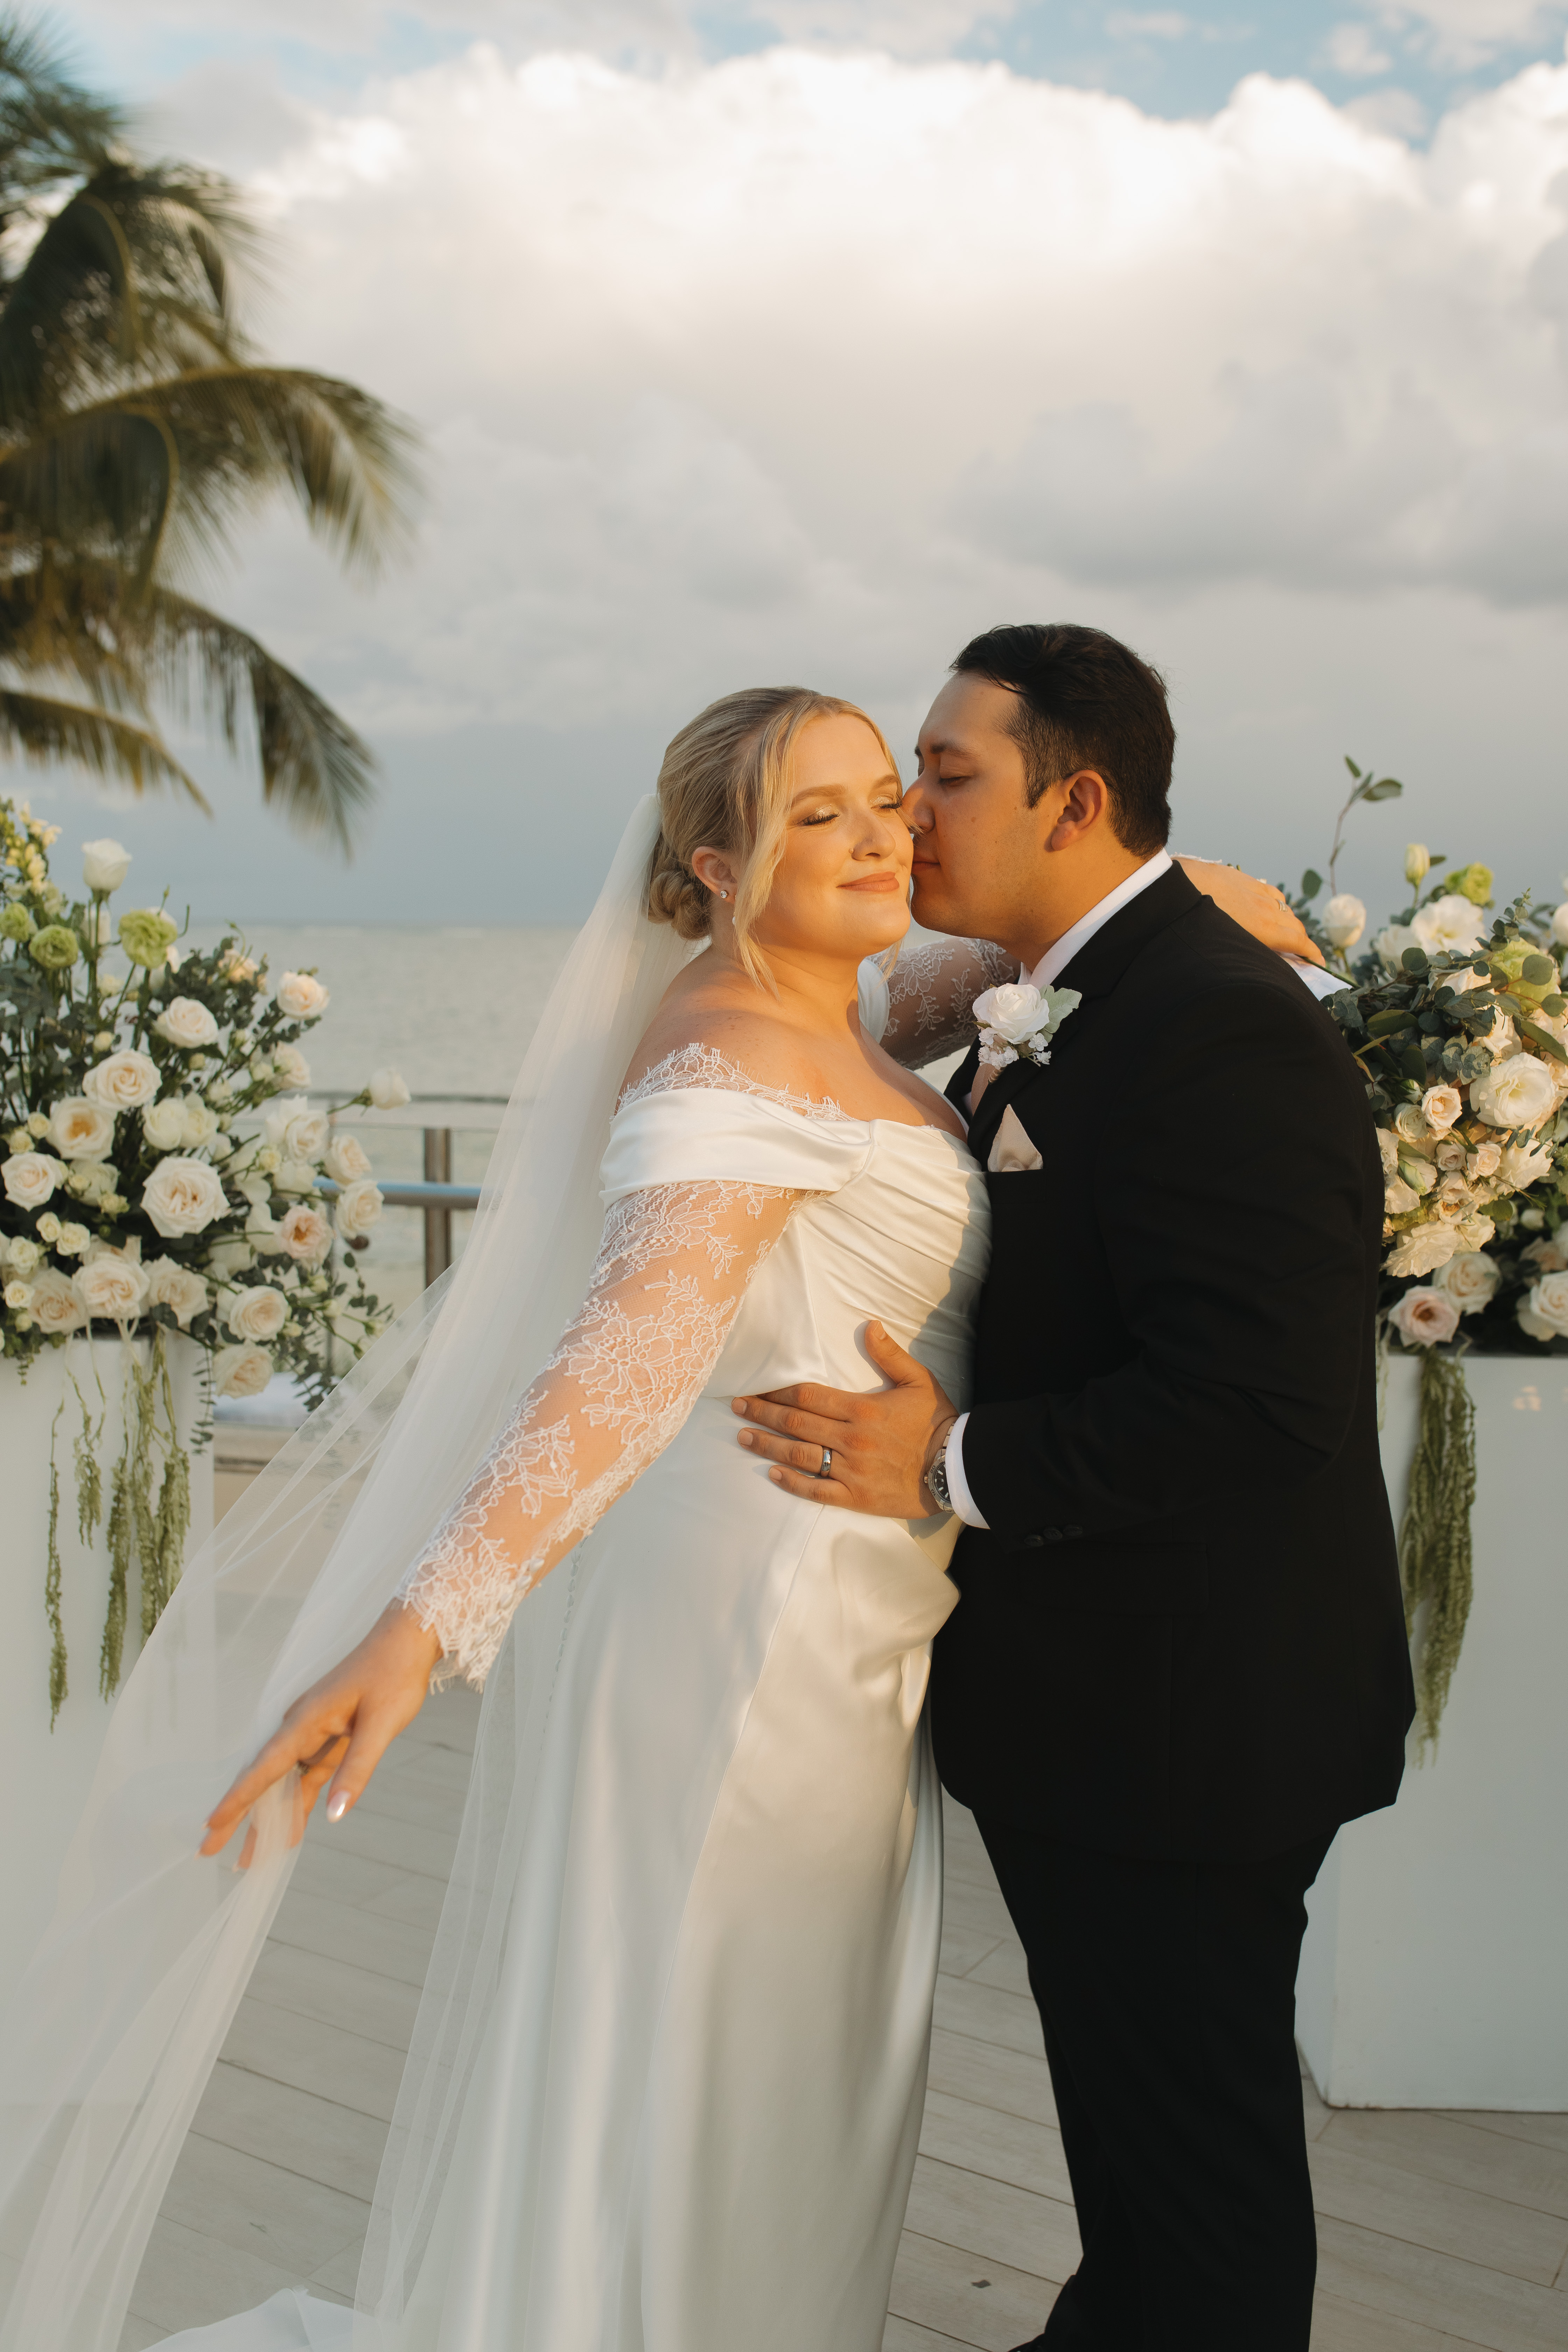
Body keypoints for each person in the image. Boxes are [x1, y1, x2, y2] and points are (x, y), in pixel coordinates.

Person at [0, 673, 1318, 2352]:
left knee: (771, 2051)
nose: (882, 835)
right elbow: (617, 1368)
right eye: (818, 815)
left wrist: (1191, 906)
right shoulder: (725, 1062)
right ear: (712, 865)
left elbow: (1006, 970)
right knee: (716, 2045)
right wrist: (422, 1630)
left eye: (888, 794)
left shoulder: (837, 1001)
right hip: (749, 1628)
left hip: (842, 1610)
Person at [734, 624, 1416, 2352]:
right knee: (1142, 2146)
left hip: (1189, 1716)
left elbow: (1257, 1401)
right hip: (1105, 1707)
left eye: (947, 774)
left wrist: (943, 1459)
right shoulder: (1076, 990)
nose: (910, 808)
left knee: (1194, 2173)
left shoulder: (1214, 1025)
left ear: (1076, 801)